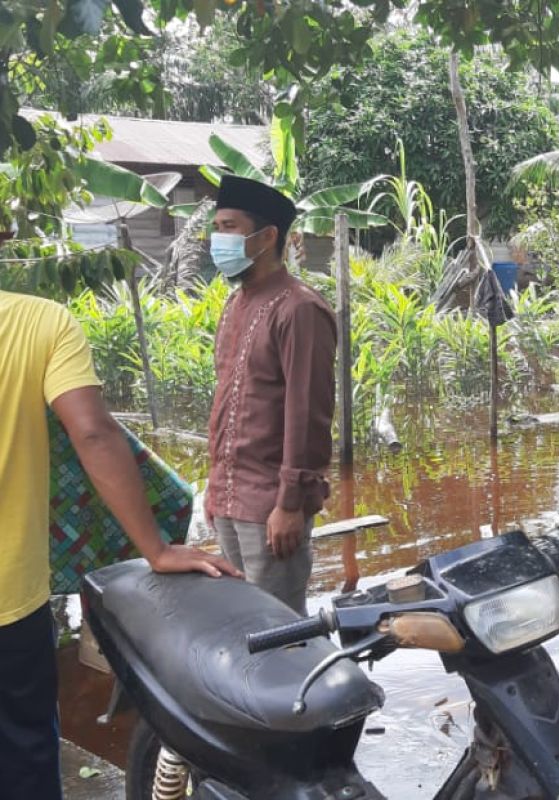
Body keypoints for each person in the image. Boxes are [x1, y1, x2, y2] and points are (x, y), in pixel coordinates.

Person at [0, 290, 240, 800]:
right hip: (10, 603)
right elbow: (92, 433)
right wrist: (155, 549)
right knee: (23, 752)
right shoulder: (41, 321)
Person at [205, 175, 337, 615]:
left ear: (266, 237)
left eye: (228, 227)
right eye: (216, 227)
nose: (217, 238)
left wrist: (290, 504)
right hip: (229, 498)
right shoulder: (236, 303)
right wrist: (214, 489)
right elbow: (228, 401)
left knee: (278, 629)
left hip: (271, 506)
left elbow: (308, 414)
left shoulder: (299, 309)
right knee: (240, 621)